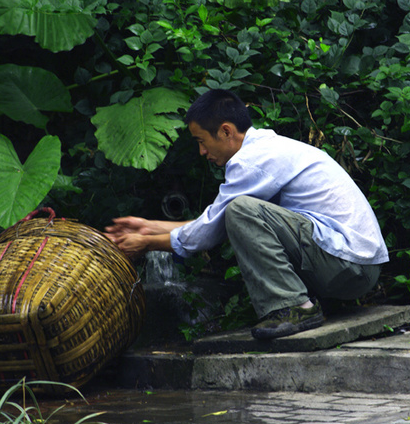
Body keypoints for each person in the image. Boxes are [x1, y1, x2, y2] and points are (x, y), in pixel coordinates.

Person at [104, 89, 388, 339]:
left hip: (350, 264)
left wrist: (147, 242)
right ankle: (304, 303)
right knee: (238, 211)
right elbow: (212, 221)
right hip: (354, 264)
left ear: (226, 131)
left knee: (240, 210)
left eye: (201, 141)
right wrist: (147, 226)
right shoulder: (263, 148)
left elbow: (211, 230)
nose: (202, 152)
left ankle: (295, 308)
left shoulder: (251, 161)